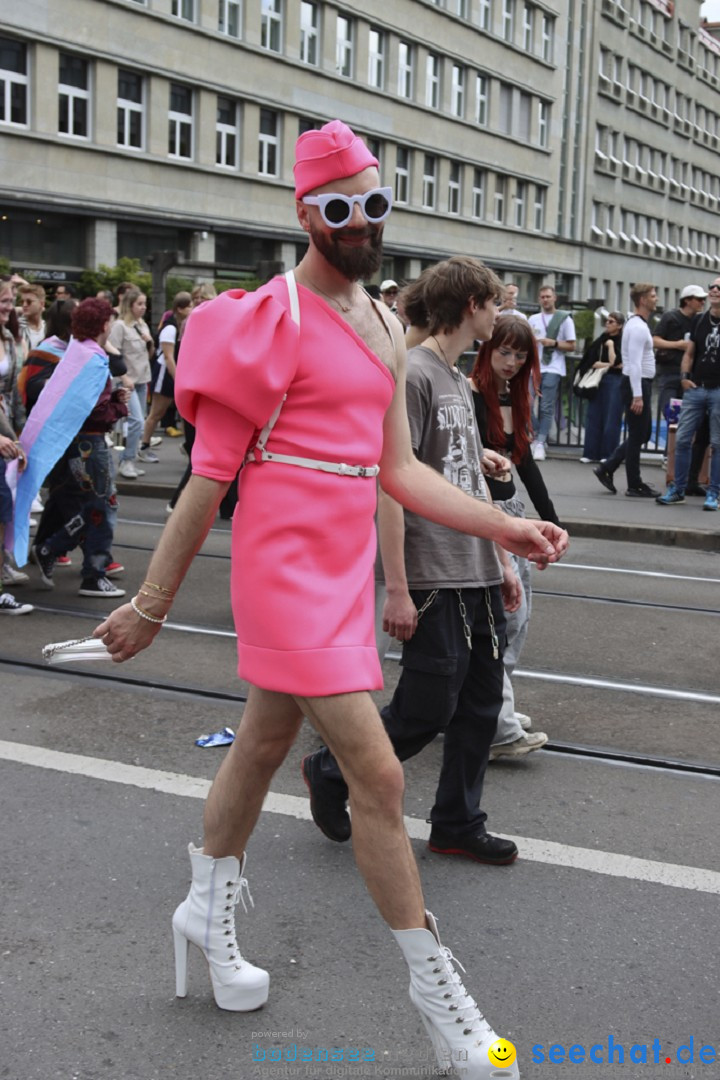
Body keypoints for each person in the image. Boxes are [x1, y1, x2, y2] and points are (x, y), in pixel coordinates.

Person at [94, 121, 567, 1080]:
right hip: (279, 566)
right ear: (305, 212)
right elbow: (207, 477)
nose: (359, 222)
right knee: (380, 779)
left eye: (373, 203)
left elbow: (395, 469)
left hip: (344, 565)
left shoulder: (388, 323)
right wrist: (150, 601)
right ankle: (444, 1012)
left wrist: (499, 524)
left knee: (267, 740)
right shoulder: (265, 318)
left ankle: (203, 911)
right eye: (338, 206)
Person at [303, 257, 529, 863]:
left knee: (480, 705)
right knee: (428, 705)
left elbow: (464, 481)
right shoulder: (415, 374)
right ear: (470, 305)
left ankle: (456, 821)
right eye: (493, 301)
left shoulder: (457, 377)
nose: (499, 310)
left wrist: (502, 558)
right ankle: (331, 772)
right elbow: (391, 482)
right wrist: (397, 587)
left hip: (475, 567)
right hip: (433, 573)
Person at [470, 316, 557, 760]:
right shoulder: (470, 392)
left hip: (509, 513)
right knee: (501, 618)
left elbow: (525, 463)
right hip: (482, 516)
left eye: (521, 356)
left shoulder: (513, 396)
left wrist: (553, 520)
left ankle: (492, 707)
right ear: (487, 350)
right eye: (504, 352)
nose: (511, 362)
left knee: (517, 619)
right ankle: (495, 720)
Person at [31, 299, 130, 597]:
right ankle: (92, 573)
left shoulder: (77, 352)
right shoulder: (94, 359)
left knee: (91, 505)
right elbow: (95, 411)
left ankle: (52, 547)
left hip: (74, 444)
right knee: (102, 506)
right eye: (108, 321)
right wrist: (118, 407)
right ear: (102, 325)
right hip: (92, 443)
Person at [656, 275, 720, 512]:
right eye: (711, 287)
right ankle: (677, 489)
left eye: (718, 288)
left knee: (717, 443)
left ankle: (714, 493)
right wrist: (684, 378)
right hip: (696, 387)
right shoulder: (700, 321)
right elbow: (690, 353)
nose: (713, 290)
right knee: (682, 439)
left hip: (718, 390)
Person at [593, 283, 660, 498]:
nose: (656, 298)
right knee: (639, 433)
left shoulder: (635, 324)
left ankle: (611, 468)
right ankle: (631, 482)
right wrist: (638, 395)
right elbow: (635, 364)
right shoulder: (638, 327)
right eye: (653, 295)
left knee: (642, 433)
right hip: (636, 384)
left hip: (636, 384)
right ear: (642, 300)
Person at [0, 277, 33, 614]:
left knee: (4, 508)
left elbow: (12, 395)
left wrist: (20, 436)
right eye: (3, 302)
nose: (7, 308)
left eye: (9, 302)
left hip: (5, 432)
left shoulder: (9, 338)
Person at [139, 291, 191, 460]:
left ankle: (188, 445)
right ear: (180, 308)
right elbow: (168, 357)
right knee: (156, 413)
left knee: (185, 414)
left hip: (173, 373)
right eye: (189, 306)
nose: (192, 309)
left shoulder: (180, 325)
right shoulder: (170, 328)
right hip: (165, 372)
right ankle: (143, 446)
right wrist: (178, 380)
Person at [108, 288, 154, 479]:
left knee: (139, 422)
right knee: (135, 421)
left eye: (145, 304)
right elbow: (113, 353)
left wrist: (150, 342)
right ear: (130, 305)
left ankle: (129, 460)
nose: (143, 307)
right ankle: (126, 460)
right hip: (127, 381)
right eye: (139, 304)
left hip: (142, 379)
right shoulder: (119, 326)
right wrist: (123, 377)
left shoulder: (142, 325)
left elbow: (148, 355)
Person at [528, 285, 576, 460]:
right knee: (526, 402)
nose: (545, 299)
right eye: (542, 297)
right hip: (533, 367)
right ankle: (536, 436)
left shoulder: (564, 319)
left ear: (554, 298)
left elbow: (572, 345)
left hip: (553, 367)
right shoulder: (532, 319)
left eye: (548, 296)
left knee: (546, 406)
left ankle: (540, 442)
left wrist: (553, 343)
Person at [577, 312, 625, 463]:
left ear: (619, 325)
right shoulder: (600, 340)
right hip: (597, 381)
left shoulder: (622, 341)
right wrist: (610, 365)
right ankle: (590, 453)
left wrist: (611, 347)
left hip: (616, 380)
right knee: (594, 415)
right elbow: (590, 361)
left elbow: (618, 363)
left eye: (611, 321)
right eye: (607, 321)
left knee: (612, 417)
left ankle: (608, 454)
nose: (607, 324)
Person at [17, 283, 47, 355]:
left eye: (29, 302)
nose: (24, 305)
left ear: (41, 304)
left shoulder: (48, 328)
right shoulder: (17, 327)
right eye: (22, 302)